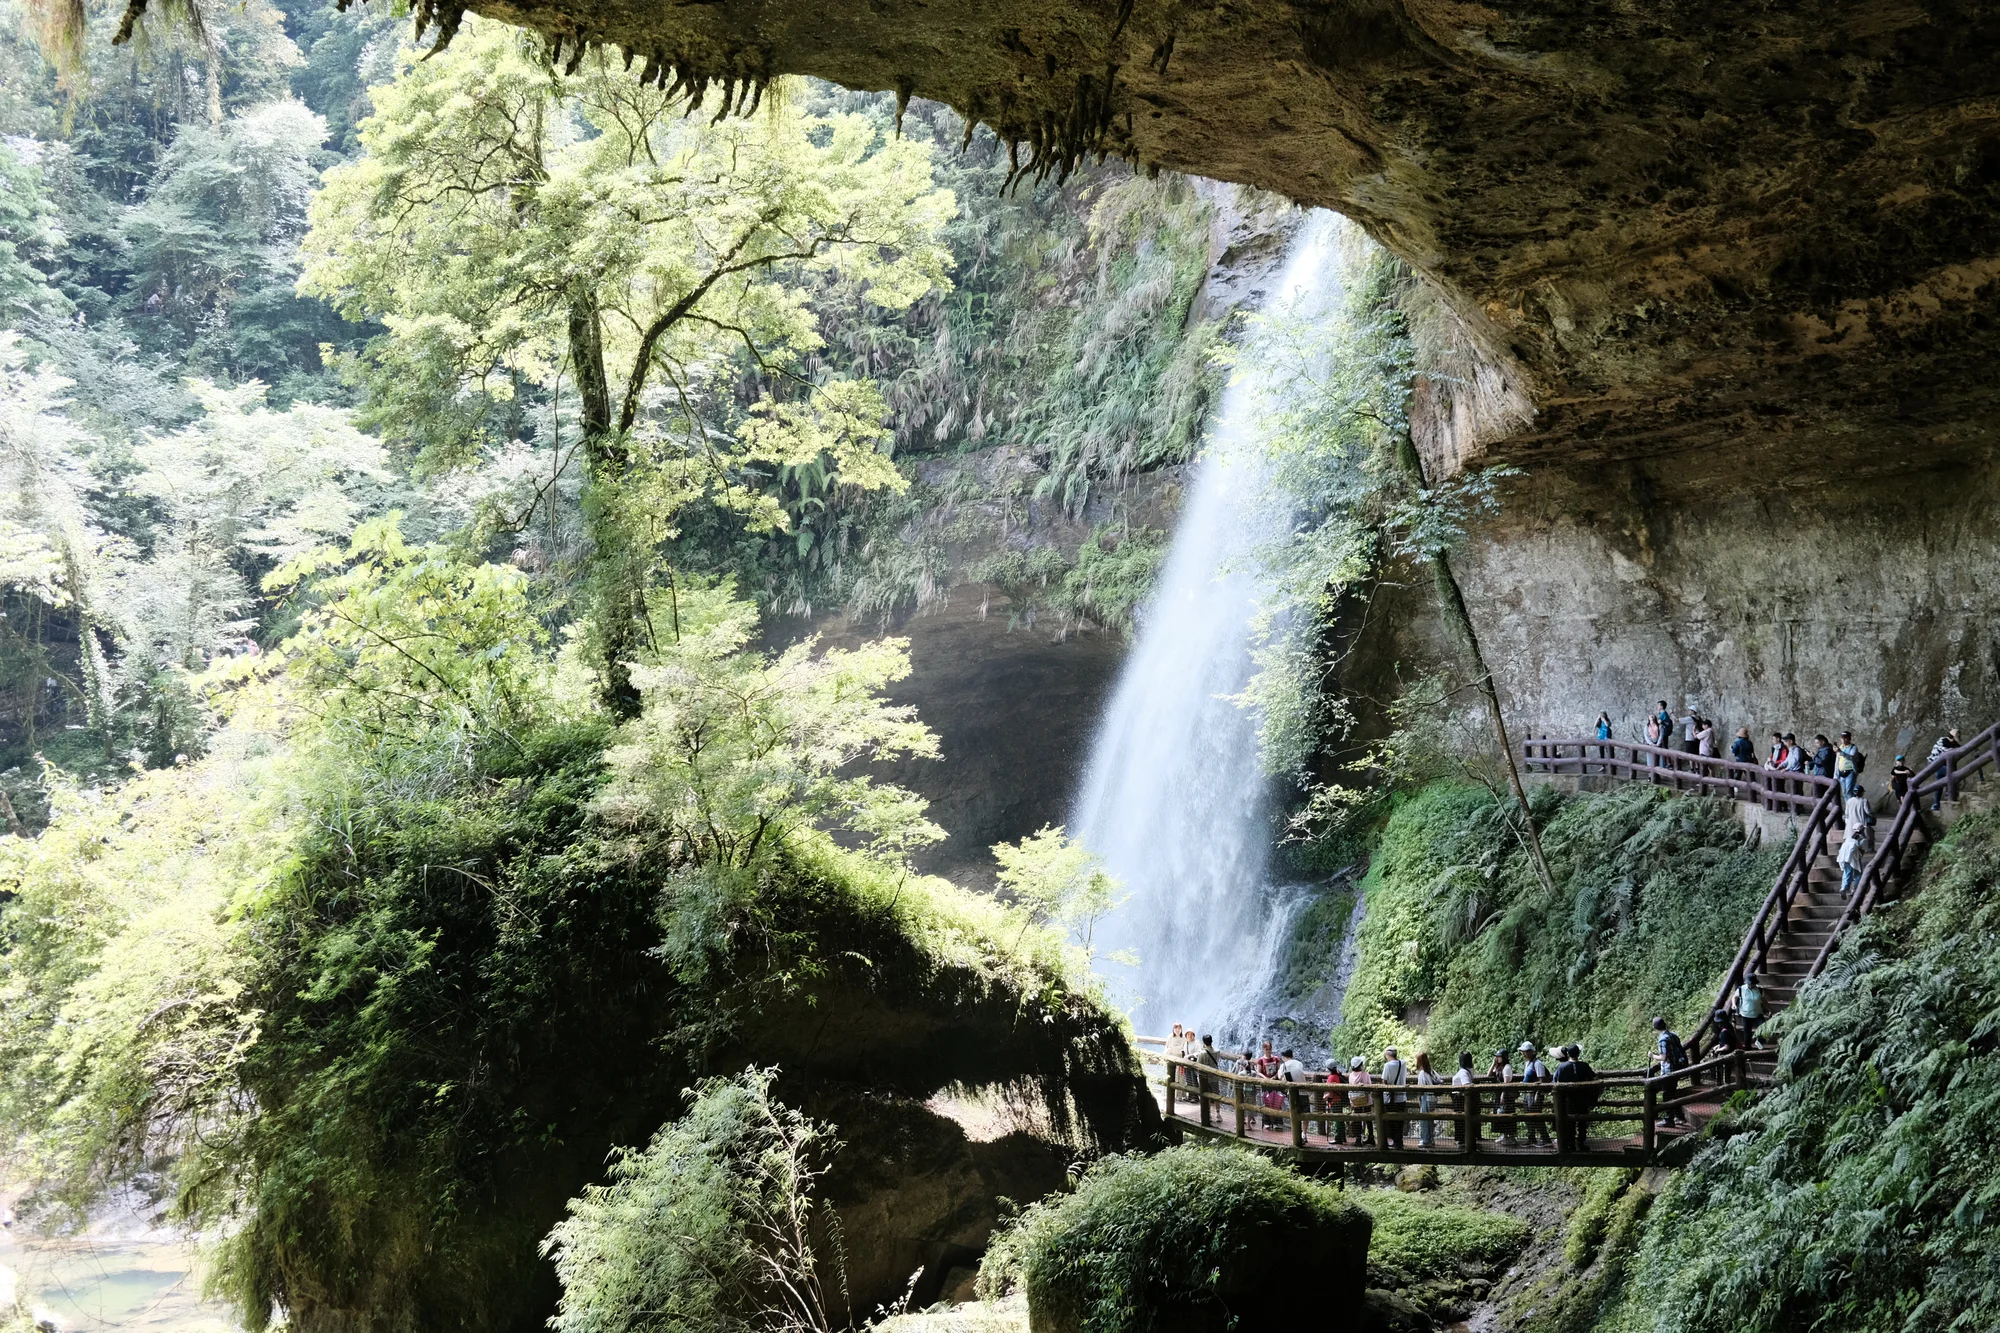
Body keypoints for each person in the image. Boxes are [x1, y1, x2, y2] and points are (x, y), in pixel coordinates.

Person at [1652, 1017, 1688, 1128]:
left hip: (1668, 1070)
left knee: (1667, 1095)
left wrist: (1652, 1056)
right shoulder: (1673, 1035)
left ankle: (1669, 1119)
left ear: (1655, 1027)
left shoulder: (1662, 1039)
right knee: (1672, 1092)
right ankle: (1679, 1116)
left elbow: (1663, 1057)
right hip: (1677, 1068)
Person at [1517, 1041, 1552, 1146]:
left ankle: (1546, 1139)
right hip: (1528, 1094)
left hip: (1535, 1094)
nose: (1524, 1053)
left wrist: (1537, 1093)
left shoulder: (1538, 1064)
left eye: (1526, 1051)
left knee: (1536, 1116)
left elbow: (1542, 1080)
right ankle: (1531, 1138)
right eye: (1523, 1051)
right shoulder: (1527, 1063)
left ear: (1531, 1052)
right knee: (1529, 1117)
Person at [1838, 793, 1871, 894]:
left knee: (1847, 873)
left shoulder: (1849, 838)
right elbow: (1862, 849)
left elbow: (1846, 813)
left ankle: (1844, 888)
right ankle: (1855, 889)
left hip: (1843, 856)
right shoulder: (1861, 839)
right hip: (1853, 857)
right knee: (1858, 873)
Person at [1486, 1048, 1516, 1144]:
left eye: (1499, 1056)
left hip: (1505, 1094)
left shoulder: (1507, 1067)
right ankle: (1504, 1135)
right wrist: (1493, 1064)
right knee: (1500, 1113)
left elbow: (1506, 1082)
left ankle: (1510, 1137)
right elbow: (1489, 1075)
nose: (1497, 1058)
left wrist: (1503, 1094)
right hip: (1499, 1093)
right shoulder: (1498, 1067)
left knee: (1506, 1113)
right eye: (1497, 1056)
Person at [1381, 1046, 1408, 1149]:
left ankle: (1394, 1141)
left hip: (1390, 1098)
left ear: (1388, 1055)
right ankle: (1399, 1141)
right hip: (1401, 1097)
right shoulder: (1403, 1063)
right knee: (1400, 1120)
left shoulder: (1387, 1066)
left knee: (1391, 1120)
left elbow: (1385, 1081)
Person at [1929, 727, 1963, 811]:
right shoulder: (1942, 740)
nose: (1958, 738)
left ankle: (1936, 803)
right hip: (1935, 764)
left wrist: (1957, 745)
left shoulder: (1955, 744)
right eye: (1957, 736)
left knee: (1939, 783)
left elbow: (1959, 751)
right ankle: (1948, 793)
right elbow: (1945, 751)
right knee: (1951, 775)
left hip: (1945, 765)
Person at [1413, 1052, 1441, 1148]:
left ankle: (1425, 1140)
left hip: (1426, 1097)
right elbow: (1440, 1080)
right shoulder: (1431, 1071)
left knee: (1424, 1120)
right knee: (1430, 1120)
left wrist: (1419, 1097)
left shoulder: (1422, 1073)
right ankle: (1431, 1139)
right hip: (1433, 1098)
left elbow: (1421, 1089)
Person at [1347, 1056, 1375, 1145]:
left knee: (1357, 1118)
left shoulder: (1351, 1075)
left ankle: (1358, 1139)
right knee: (1368, 1118)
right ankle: (1371, 1137)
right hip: (1366, 1100)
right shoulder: (1365, 1074)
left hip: (1355, 1101)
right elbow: (1369, 1086)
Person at [1453, 1051, 1476, 1145]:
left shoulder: (1463, 1072)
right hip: (1462, 1098)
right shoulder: (1468, 1071)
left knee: (1460, 1119)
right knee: (1461, 1119)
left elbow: (1466, 1084)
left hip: (1460, 1098)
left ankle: (1462, 1140)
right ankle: (1463, 1139)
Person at [1323, 1058, 1348, 1144]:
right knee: (1340, 1119)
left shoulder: (1331, 1078)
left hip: (1334, 1101)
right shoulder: (1338, 1075)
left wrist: (1324, 1097)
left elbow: (1330, 1093)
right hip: (1340, 1099)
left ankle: (1338, 1138)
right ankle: (1343, 1137)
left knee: (1337, 1120)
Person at [1737, 973, 1766, 1044]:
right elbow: (1734, 997)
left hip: (1758, 1013)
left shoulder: (1759, 990)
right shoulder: (1741, 989)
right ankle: (1747, 1048)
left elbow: (1764, 1000)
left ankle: (1760, 1043)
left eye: (1752, 984)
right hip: (1746, 1014)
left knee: (1763, 1029)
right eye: (1749, 983)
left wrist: (1769, 1009)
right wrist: (1734, 1004)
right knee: (1747, 1034)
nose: (1751, 985)